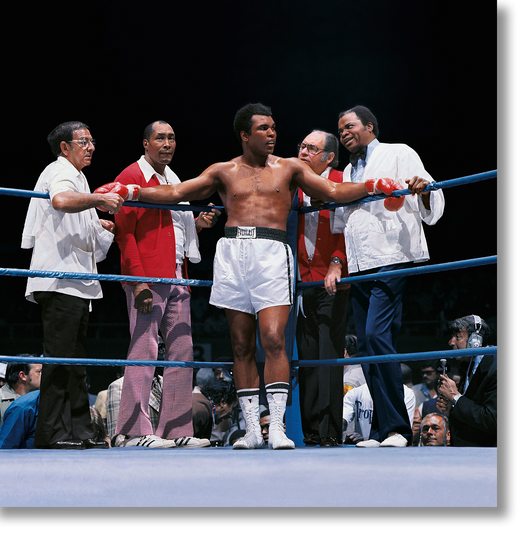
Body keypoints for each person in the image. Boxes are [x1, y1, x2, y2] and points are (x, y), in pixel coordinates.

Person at [97, 103, 427, 450]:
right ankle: (253, 429)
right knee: (241, 344)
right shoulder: (223, 170)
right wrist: (130, 191)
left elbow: (331, 192)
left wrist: (372, 185)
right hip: (233, 251)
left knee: (272, 338)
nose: (272, 133)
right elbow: (177, 193)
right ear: (244, 135)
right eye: (263, 129)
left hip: (271, 252)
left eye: (273, 127)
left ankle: (279, 427)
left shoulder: (289, 168)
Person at [333, 105, 445, 447]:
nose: (344, 133)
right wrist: (339, 262)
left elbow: (431, 195)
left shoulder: (399, 152)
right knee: (367, 344)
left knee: (375, 336)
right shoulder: (349, 171)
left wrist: (423, 188)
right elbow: (342, 221)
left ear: (370, 126)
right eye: (339, 130)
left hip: (392, 256)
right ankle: (383, 430)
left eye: (350, 126)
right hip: (360, 262)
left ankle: (398, 427)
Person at [112, 121, 219, 449]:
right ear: (145, 143)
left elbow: (170, 233)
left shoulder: (173, 180)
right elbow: (124, 233)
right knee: (144, 348)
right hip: (148, 277)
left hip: (177, 273)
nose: (167, 143)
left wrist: (196, 225)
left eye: (172, 138)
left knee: (182, 351)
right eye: (160, 138)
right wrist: (139, 282)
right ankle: (131, 432)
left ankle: (175, 429)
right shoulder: (130, 177)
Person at [21, 121, 123, 450]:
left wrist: (98, 220)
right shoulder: (59, 170)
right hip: (60, 279)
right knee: (61, 359)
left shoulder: (79, 176)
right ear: (65, 147)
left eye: (93, 141)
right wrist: (99, 200)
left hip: (76, 281)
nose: (91, 146)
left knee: (76, 363)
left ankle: (80, 431)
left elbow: (79, 220)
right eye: (84, 141)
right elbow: (61, 201)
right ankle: (52, 434)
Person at [295, 130, 349, 447]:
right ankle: (311, 431)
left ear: (328, 156)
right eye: (301, 146)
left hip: (332, 276)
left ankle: (329, 430)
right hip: (302, 278)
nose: (303, 152)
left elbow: (349, 226)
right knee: (308, 355)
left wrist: (337, 261)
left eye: (311, 148)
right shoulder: (294, 182)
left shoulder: (341, 179)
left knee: (329, 352)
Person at [436, 315, 497, 446]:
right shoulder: (468, 365)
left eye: (457, 337)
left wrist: (455, 396)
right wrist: (451, 409)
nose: (451, 342)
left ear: (475, 341)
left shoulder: (494, 367)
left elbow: (491, 420)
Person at [0, 358, 42, 448]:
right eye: (39, 372)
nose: (43, 376)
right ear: (23, 376)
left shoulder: (40, 398)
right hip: (6, 457)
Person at [343, 382, 416, 445]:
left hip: (391, 450)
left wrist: (364, 440)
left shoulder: (406, 393)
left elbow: (401, 432)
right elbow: (343, 421)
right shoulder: (356, 392)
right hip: (362, 451)